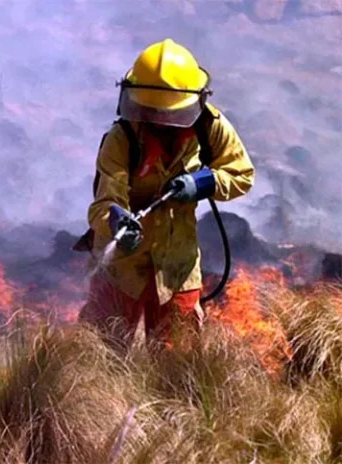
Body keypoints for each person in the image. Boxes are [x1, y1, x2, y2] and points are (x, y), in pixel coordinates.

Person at [79, 38, 255, 352]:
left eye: (168, 114)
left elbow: (241, 174)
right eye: (151, 112)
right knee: (102, 352)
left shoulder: (209, 126)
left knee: (178, 359)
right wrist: (117, 220)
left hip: (178, 268)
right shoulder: (122, 138)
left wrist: (203, 183)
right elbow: (103, 203)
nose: (160, 122)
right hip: (122, 269)